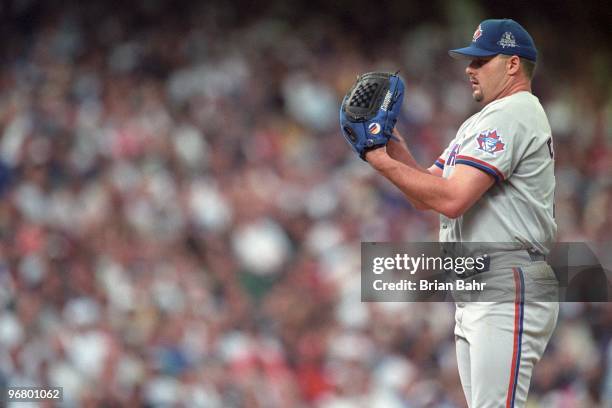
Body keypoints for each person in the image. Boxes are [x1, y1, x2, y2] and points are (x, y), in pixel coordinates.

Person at [364, 19, 558, 407]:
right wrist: (386, 140)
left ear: (513, 64)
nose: (470, 69)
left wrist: (377, 159)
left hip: (506, 278)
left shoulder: (514, 112)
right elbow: (427, 193)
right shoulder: (484, 120)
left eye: (481, 60)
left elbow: (453, 199)